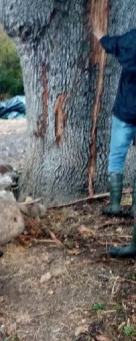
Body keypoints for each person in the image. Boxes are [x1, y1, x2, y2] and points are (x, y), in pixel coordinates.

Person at [93, 25, 136, 258]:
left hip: (125, 110)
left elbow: (113, 44)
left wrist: (99, 34)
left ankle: (116, 205)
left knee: (116, 156)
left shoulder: (132, 39)